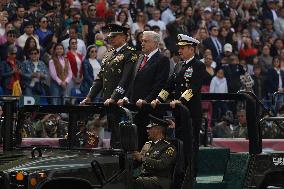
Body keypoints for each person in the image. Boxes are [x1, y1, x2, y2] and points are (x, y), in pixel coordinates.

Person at [151, 34, 206, 176]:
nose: (179, 51)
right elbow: (169, 86)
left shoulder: (198, 65)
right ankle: (181, 171)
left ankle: (191, 173)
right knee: (179, 142)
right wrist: (159, 99)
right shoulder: (179, 65)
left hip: (191, 112)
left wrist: (181, 100)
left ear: (192, 49)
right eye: (179, 48)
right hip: (179, 112)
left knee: (191, 143)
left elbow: (193, 88)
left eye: (182, 48)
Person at [80, 24, 138, 147]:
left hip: (121, 99)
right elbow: (100, 78)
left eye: (114, 37)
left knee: (120, 131)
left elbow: (125, 79)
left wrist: (114, 97)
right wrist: (90, 96)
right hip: (107, 98)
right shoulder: (109, 53)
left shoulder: (130, 53)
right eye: (110, 37)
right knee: (112, 129)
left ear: (123, 37)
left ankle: (119, 158)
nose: (110, 39)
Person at [118, 30, 170, 148]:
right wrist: (126, 97)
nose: (142, 43)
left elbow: (159, 85)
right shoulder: (140, 57)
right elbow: (133, 82)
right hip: (136, 109)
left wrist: (146, 100)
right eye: (142, 41)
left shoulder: (162, 60)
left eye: (146, 41)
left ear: (155, 43)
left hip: (150, 111)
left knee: (148, 145)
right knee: (136, 144)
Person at [133, 114, 176, 189]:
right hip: (145, 177)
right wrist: (132, 158)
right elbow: (139, 163)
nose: (147, 130)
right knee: (125, 178)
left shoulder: (169, 147)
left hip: (161, 179)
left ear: (158, 130)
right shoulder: (147, 145)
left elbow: (161, 164)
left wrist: (142, 158)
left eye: (150, 128)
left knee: (138, 181)